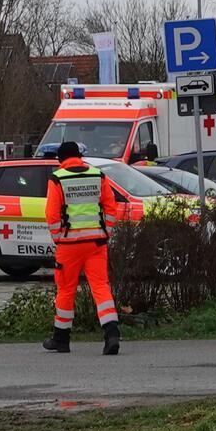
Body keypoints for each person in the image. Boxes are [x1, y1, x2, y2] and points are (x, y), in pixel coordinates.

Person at [43, 142, 127, 355]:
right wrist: (105, 231)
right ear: (79, 156)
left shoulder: (57, 178)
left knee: (66, 289)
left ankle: (61, 338)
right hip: (96, 243)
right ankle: (112, 333)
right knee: (101, 287)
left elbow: (52, 214)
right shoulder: (98, 175)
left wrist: (58, 238)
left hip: (69, 245)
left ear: (60, 159)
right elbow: (110, 206)